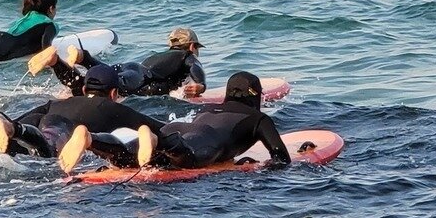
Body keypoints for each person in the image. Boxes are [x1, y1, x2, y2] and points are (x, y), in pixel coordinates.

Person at [0, 63, 165, 172]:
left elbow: (24, 118)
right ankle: (15, 131)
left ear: (83, 89)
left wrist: (10, 127)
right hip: (65, 131)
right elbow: (159, 129)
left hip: (46, 119)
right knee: (47, 148)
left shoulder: (58, 102)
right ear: (113, 93)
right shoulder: (111, 107)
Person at [76, 71, 292, 173]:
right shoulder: (259, 118)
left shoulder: (211, 107)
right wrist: (258, 170)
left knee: (129, 157)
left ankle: (91, 139)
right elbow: (281, 157)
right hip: (205, 139)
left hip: (180, 127)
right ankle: (155, 139)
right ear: (255, 95)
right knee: (187, 158)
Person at [29, 26, 208, 98]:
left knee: (94, 83)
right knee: (98, 87)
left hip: (130, 68)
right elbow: (195, 66)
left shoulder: (159, 57)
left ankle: (70, 60)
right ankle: (77, 58)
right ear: (192, 46)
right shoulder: (186, 56)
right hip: (138, 75)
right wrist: (201, 85)